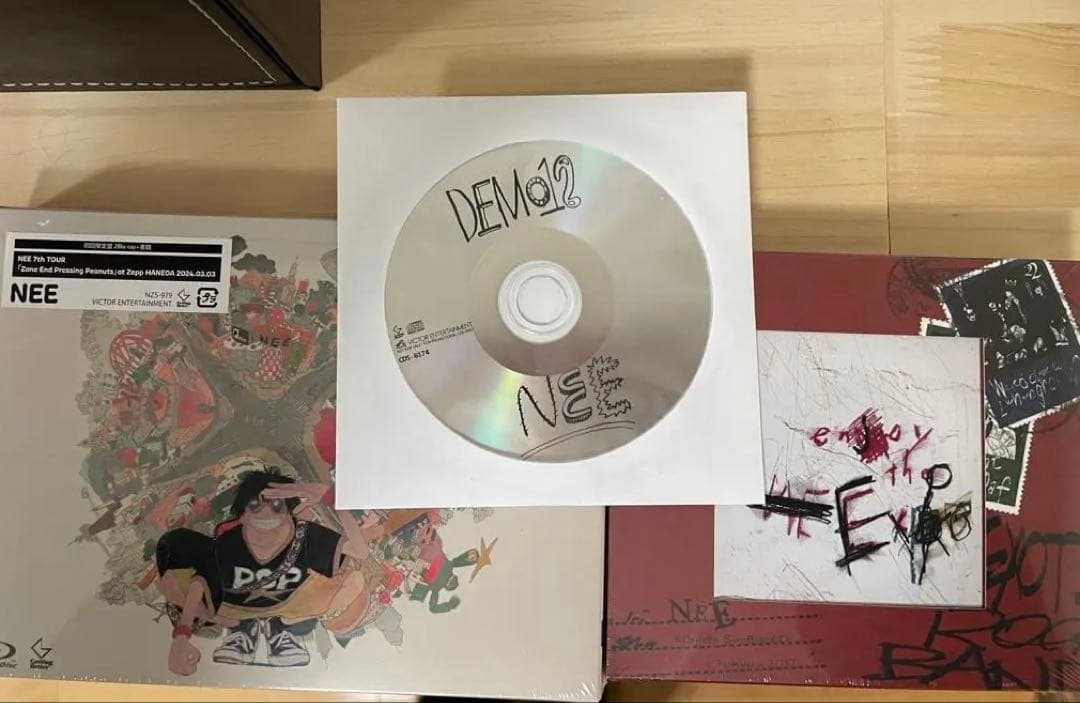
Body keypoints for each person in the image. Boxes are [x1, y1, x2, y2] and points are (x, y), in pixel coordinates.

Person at [155, 469, 373, 675]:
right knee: (171, 584)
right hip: (236, 607)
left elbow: (360, 552)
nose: (266, 512)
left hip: (291, 605)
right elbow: (199, 583)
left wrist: (330, 498)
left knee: (354, 581)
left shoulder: (305, 534)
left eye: (276, 505)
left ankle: (279, 628)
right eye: (254, 505)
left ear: (290, 511)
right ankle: (240, 629)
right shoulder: (230, 541)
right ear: (243, 514)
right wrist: (180, 638)